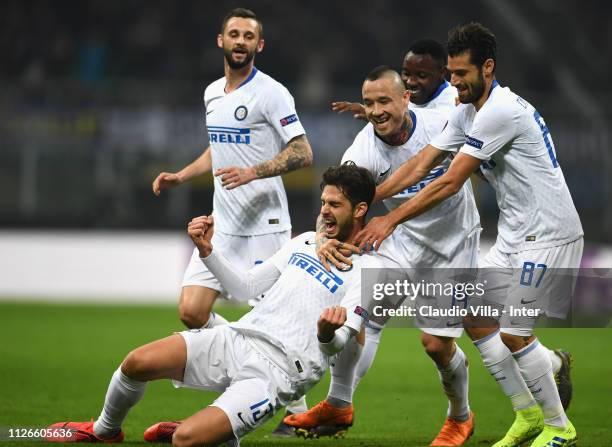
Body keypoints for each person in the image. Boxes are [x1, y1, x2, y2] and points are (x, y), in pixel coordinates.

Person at [44, 164, 384, 446]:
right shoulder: (307, 242)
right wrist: (208, 251)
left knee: (186, 440)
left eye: (334, 205)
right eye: (323, 202)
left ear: (359, 210)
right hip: (237, 339)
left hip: (277, 374)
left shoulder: (370, 269)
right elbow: (245, 286)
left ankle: (211, 431)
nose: (324, 210)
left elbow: (345, 340)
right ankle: (105, 431)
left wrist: (326, 334)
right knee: (137, 363)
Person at [356, 23, 581, 447]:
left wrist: (390, 219)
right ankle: (528, 414)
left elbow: (449, 181)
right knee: (478, 320)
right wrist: (371, 198)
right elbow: (423, 162)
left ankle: (559, 427)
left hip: (550, 234)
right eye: (452, 74)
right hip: (516, 235)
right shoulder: (466, 111)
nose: (454, 83)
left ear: (488, 68)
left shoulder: (500, 111)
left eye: (462, 74)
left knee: (514, 331)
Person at [284, 66, 481, 446]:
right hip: (401, 241)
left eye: (384, 101)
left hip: (452, 244)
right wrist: (325, 237)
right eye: (370, 103)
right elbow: (336, 200)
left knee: (436, 346)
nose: (375, 111)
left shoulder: (442, 123)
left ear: (406, 97)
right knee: (358, 308)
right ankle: (339, 403)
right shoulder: (363, 150)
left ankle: (461, 417)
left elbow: (483, 138)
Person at [151, 8, 312, 330]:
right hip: (222, 225)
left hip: (265, 226)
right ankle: (237, 348)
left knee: (273, 321)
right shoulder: (212, 93)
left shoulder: (271, 93)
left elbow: (303, 152)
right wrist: (182, 175)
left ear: (259, 45)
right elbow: (220, 146)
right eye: (235, 35)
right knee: (191, 313)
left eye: (248, 37)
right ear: (221, 40)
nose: (240, 42)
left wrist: (252, 172)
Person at [330, 39, 457, 118]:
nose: (410, 82)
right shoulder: (405, 99)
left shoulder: (455, 102)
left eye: (421, 76)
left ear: (442, 73)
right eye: (406, 73)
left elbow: (431, 125)